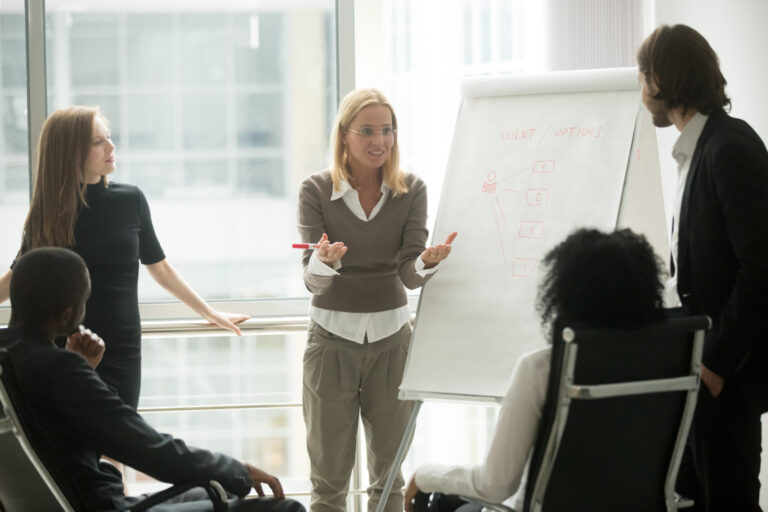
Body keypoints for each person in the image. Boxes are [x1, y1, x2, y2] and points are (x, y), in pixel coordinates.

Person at [0, 247, 303, 512]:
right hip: (101, 505)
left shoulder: (11, 358)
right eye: (85, 301)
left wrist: (80, 368)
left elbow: (52, 432)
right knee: (284, 508)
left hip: (61, 501)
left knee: (205, 492)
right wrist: (238, 471)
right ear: (67, 316)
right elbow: (150, 450)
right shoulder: (59, 370)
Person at [0, 105, 248, 410]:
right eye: (97, 142)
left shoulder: (130, 200)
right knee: (71, 443)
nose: (111, 147)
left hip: (121, 346)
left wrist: (210, 313)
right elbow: (18, 276)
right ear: (70, 152)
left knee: (118, 445)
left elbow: (160, 267)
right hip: (65, 347)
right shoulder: (48, 213)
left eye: (109, 137)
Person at [404, 228, 665, 512]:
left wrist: (424, 475)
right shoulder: (663, 361)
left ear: (565, 292)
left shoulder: (542, 369)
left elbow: (495, 485)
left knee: (440, 502)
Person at [297, 88, 457, 512]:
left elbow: (407, 274)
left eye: (387, 130)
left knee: (389, 481)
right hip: (330, 343)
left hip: (393, 343)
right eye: (367, 130)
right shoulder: (315, 190)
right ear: (344, 136)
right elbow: (314, 284)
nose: (379, 141)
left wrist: (425, 262)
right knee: (328, 483)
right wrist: (325, 262)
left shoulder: (411, 191)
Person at [637, 24, 768, 511]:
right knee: (691, 497)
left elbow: (762, 269)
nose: (640, 87)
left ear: (659, 80)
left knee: (729, 501)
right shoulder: (697, 149)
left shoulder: (728, 148)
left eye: (641, 74)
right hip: (698, 371)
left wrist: (715, 361)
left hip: (725, 374)